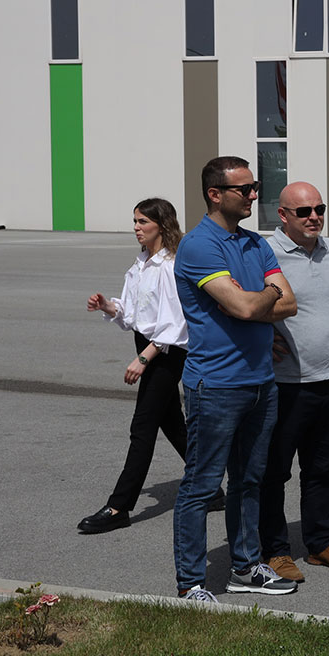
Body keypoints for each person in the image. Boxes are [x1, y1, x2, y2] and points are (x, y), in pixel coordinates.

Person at [172, 157, 299, 602]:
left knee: (249, 481)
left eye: (254, 186)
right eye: (244, 189)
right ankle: (191, 583)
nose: (253, 195)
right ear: (214, 194)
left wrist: (253, 301)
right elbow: (247, 306)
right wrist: (264, 296)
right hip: (215, 386)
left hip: (261, 383)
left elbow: (289, 304)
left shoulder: (255, 242)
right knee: (202, 486)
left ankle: (244, 568)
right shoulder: (198, 246)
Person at [81, 198, 211, 533]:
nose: (136, 228)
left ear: (162, 224)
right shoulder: (141, 263)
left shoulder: (170, 265)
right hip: (148, 346)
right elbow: (133, 314)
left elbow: (176, 323)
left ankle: (119, 507)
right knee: (172, 423)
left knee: (142, 427)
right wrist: (108, 306)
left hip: (166, 353)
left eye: (143, 222)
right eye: (135, 221)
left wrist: (143, 359)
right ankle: (211, 489)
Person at [259, 182, 329, 582]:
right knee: (274, 473)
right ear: (283, 215)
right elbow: (235, 301)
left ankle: (320, 543)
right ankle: (275, 550)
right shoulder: (265, 252)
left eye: (319, 209)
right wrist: (260, 337)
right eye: (304, 211)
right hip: (285, 385)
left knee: (321, 469)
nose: (314, 217)